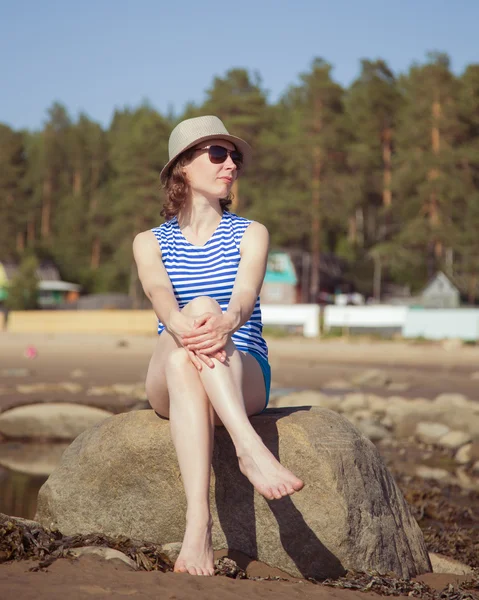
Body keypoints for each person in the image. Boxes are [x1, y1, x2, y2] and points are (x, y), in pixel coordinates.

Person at [133, 115, 304, 577]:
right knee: (187, 330)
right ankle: (248, 448)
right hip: (172, 362)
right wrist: (187, 324)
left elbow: (245, 296)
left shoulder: (251, 232)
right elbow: (160, 297)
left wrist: (226, 321)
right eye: (217, 153)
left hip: (241, 368)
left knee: (206, 315)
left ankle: (198, 527)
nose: (231, 164)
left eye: (235, 157)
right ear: (182, 168)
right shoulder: (149, 242)